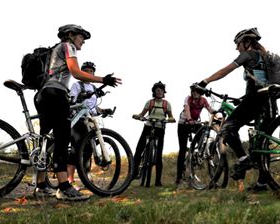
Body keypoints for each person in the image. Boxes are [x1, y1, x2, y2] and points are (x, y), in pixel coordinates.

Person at [34, 24, 121, 200]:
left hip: (43, 94)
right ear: (71, 35)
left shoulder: (55, 51)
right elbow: (76, 72)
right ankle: (64, 187)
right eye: (82, 37)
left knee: (44, 140)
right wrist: (103, 79)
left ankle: (41, 185)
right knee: (62, 138)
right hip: (57, 93)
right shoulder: (68, 46)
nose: (83, 42)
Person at [195, 27, 276, 192]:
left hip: (255, 100)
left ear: (246, 42)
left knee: (227, 127)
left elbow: (226, 70)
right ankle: (262, 183)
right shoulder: (265, 57)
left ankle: (244, 158)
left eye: (238, 43)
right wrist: (242, 98)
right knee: (262, 142)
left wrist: (205, 81)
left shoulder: (248, 55)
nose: (236, 47)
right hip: (269, 100)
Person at [67, 61, 114, 191]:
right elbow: (71, 101)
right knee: (75, 149)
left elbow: (93, 106)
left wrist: (104, 111)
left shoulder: (93, 88)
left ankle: (86, 178)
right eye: (86, 71)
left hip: (91, 121)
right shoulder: (77, 85)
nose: (88, 73)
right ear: (81, 72)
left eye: (91, 72)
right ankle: (70, 180)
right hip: (78, 120)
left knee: (88, 150)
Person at [132, 81, 176, 187]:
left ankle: (158, 181)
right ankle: (133, 173)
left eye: (161, 90)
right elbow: (142, 114)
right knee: (139, 150)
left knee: (159, 154)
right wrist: (138, 116)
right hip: (148, 126)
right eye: (157, 90)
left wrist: (170, 119)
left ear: (163, 92)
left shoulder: (166, 104)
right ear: (154, 92)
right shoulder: (150, 102)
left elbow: (170, 116)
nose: (159, 92)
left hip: (160, 127)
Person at [175, 83, 215, 185]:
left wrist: (216, 114)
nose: (194, 93)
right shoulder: (188, 98)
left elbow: (210, 110)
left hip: (195, 123)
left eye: (197, 91)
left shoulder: (203, 100)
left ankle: (197, 153)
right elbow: (187, 109)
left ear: (200, 92)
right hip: (184, 124)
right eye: (193, 91)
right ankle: (179, 177)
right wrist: (189, 119)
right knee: (182, 149)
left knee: (202, 139)